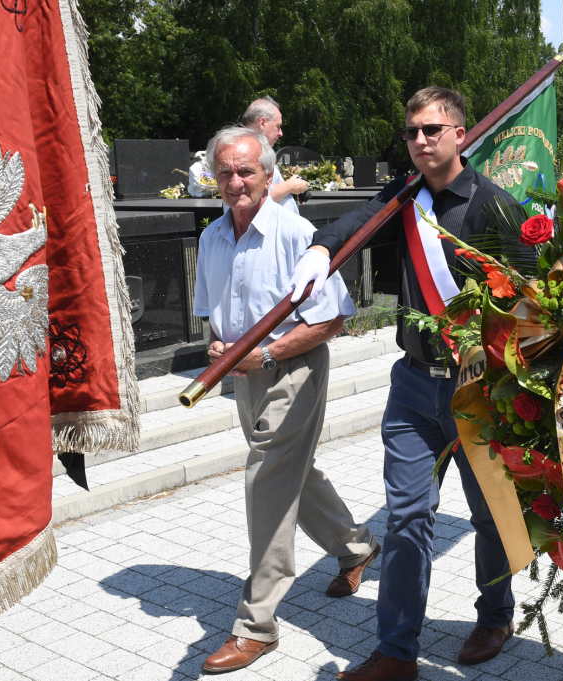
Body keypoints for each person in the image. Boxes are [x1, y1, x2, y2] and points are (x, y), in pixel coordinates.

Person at [287, 87, 521, 681]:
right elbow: (356, 220)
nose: (420, 140)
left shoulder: (496, 207)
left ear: (461, 133)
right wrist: (321, 247)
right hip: (414, 388)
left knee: (490, 515)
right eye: (413, 131)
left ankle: (495, 613)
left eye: (433, 129)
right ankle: (395, 652)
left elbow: (530, 299)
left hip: (478, 391)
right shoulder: (404, 197)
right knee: (409, 517)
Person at [196, 126, 379, 674]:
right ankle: (356, 547)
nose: (235, 181)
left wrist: (268, 354)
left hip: (292, 371)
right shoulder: (211, 238)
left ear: (268, 174)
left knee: (267, 480)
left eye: (246, 171)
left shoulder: (299, 236)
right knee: (293, 472)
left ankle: (256, 625)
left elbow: (332, 318)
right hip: (242, 375)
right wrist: (219, 345)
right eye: (224, 171)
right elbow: (214, 310)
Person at [241, 96, 311, 214]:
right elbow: (255, 197)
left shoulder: (256, 149)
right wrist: (290, 186)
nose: (281, 133)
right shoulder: (244, 151)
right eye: (277, 126)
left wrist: (288, 190)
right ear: (262, 123)